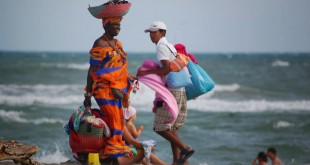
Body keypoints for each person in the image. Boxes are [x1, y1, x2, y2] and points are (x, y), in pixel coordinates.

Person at [137, 21, 194, 165]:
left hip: (172, 93)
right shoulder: (170, 46)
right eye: (150, 32)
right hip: (180, 91)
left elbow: (166, 69)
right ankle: (177, 160)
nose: (151, 35)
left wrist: (146, 72)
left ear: (162, 32)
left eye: (154, 32)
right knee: (171, 129)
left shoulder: (161, 46)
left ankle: (185, 149)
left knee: (160, 127)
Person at [83, 15, 136, 160]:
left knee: (118, 119)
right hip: (102, 88)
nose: (118, 27)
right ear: (105, 26)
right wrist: (88, 94)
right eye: (115, 25)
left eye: (119, 25)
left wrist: (128, 76)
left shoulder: (118, 44)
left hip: (117, 88)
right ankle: (110, 153)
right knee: (113, 118)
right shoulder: (99, 43)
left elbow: (119, 66)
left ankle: (110, 153)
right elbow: (92, 69)